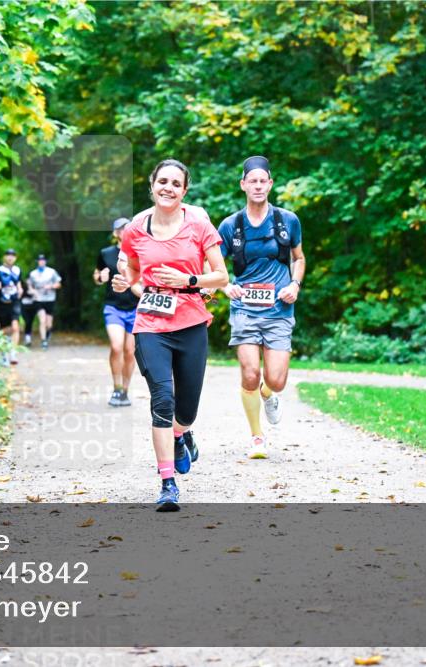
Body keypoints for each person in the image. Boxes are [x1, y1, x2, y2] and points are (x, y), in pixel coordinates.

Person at [112, 159, 228, 511]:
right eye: (162, 181)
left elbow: (221, 277)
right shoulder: (136, 228)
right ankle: (167, 483)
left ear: (184, 190)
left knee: (187, 409)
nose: (168, 187)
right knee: (162, 399)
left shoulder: (198, 224)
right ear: (152, 185)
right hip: (151, 325)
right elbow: (129, 268)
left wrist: (190, 282)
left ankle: (181, 434)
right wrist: (131, 285)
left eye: (175, 183)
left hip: (191, 322)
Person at [217, 156, 305, 460]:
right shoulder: (231, 225)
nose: (257, 185)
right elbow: (213, 263)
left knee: (276, 380)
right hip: (244, 309)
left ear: (270, 183)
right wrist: (226, 285)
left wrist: (294, 284)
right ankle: (257, 437)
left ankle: (268, 395)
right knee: (250, 372)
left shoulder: (288, 220)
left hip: (279, 310)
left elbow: (300, 258)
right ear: (243, 185)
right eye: (251, 180)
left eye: (262, 180)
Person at [95, 218, 141, 407]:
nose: (125, 230)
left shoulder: (140, 253)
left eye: (128, 227)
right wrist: (100, 277)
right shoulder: (105, 253)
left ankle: (125, 391)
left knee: (130, 351)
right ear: (115, 233)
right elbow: (96, 276)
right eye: (121, 229)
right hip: (113, 307)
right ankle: (116, 388)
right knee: (116, 346)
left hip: (135, 307)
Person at [0, 249, 23, 365]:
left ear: (15, 258)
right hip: (2, 303)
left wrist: (20, 289)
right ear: (4, 257)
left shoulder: (17, 270)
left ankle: (13, 353)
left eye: (13, 256)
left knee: (15, 327)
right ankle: (3, 354)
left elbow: (18, 282)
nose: (10, 258)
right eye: (8, 255)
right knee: (4, 330)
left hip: (15, 302)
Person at [27, 254, 62, 349]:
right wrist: (32, 291)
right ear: (37, 262)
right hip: (38, 299)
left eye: (43, 260)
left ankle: (48, 334)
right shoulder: (33, 274)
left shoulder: (51, 272)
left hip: (50, 299)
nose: (41, 262)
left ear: (45, 261)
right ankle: (43, 341)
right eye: (39, 260)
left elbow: (59, 284)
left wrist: (51, 286)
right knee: (42, 321)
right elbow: (29, 285)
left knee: (49, 324)